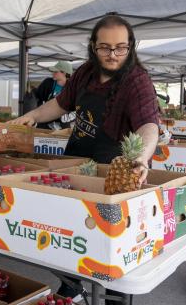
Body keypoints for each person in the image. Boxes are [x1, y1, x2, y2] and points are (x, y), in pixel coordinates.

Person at [10, 15, 159, 304]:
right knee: (65, 229)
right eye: (104, 47)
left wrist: (141, 157)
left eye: (120, 48)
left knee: (111, 245)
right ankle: (72, 284)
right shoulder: (85, 73)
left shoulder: (137, 81)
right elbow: (61, 103)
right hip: (76, 161)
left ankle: (114, 297)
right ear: (93, 46)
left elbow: (149, 125)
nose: (112, 55)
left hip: (112, 172)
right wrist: (33, 115)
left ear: (131, 47)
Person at [32, 61, 75, 129]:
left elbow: (75, 107)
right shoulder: (48, 83)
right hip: (45, 122)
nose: (53, 73)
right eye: (53, 72)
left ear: (64, 73)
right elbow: (37, 97)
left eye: (56, 72)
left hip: (63, 125)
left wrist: (68, 117)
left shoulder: (72, 87)